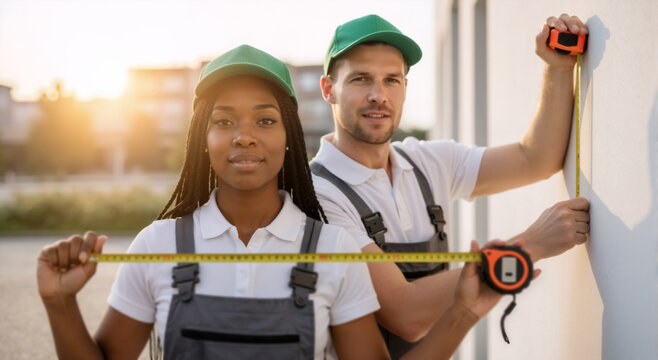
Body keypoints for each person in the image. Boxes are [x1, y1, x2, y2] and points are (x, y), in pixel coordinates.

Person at [37, 44, 536, 360]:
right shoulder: (158, 244)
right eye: (224, 121)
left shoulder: (336, 252)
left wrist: (464, 312)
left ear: (291, 137)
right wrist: (59, 303)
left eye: (265, 120)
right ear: (201, 140)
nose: (245, 137)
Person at [311, 14, 590, 357]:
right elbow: (405, 313)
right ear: (328, 90)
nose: (378, 95)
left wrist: (558, 68)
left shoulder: (428, 162)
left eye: (391, 80)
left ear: (405, 88)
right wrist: (526, 247)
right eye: (360, 79)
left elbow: (535, 158)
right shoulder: (319, 195)